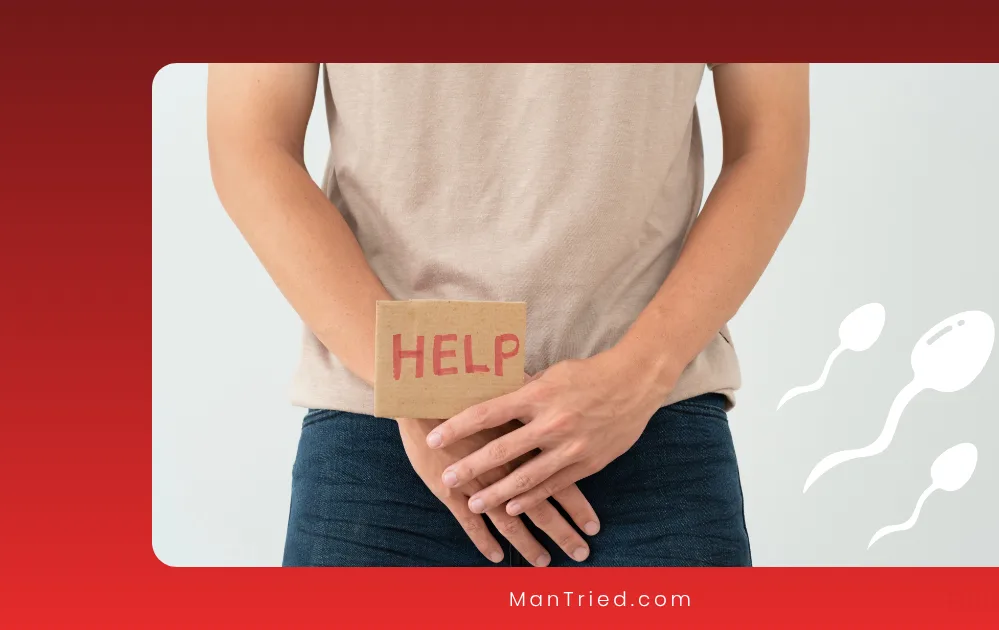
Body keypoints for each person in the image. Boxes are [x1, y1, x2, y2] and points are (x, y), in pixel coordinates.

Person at [207, 63, 809, 567]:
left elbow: (769, 144)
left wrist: (638, 375)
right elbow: (249, 142)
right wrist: (421, 384)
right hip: (385, 429)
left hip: (644, 422)